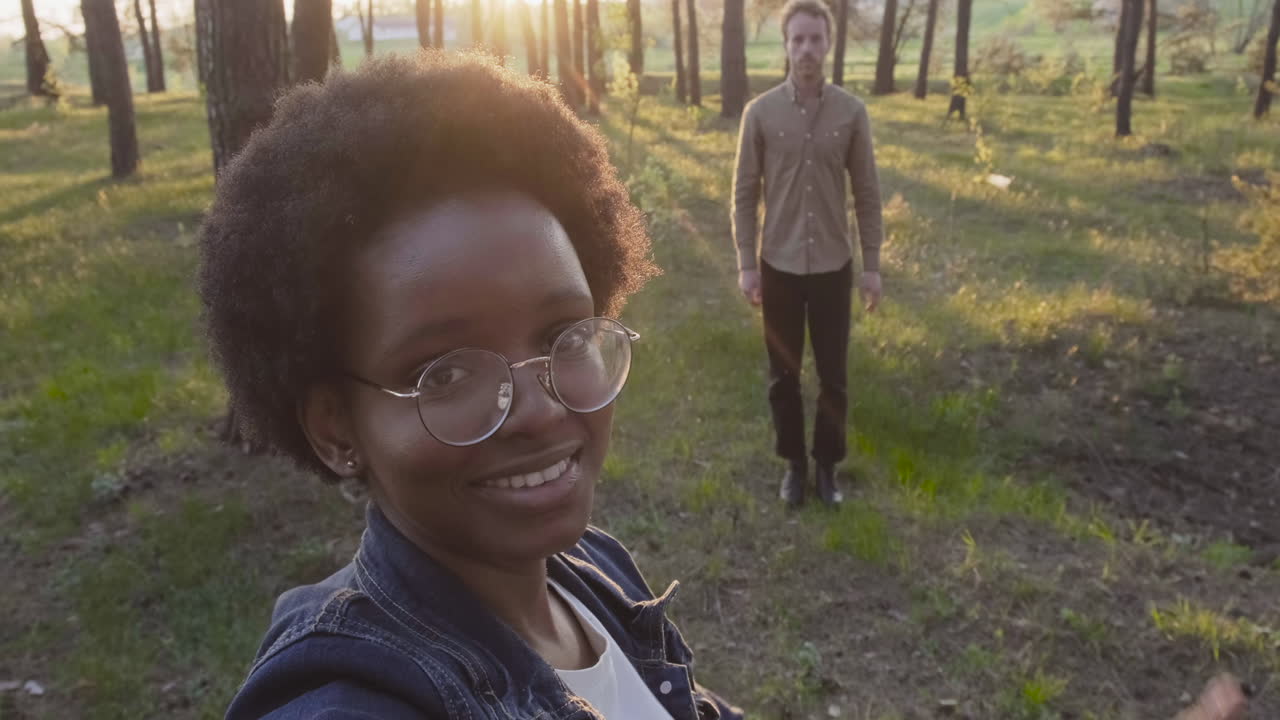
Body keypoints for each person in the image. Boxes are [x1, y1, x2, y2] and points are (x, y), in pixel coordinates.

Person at [201, 52, 741, 719]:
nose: (542, 411)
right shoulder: (349, 704)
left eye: (562, 336)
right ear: (336, 426)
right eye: (447, 373)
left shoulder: (589, 570)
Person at [731, 0, 885, 508]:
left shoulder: (852, 113)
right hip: (777, 264)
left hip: (833, 268)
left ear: (828, 44)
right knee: (784, 377)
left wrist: (873, 267)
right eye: (797, 40)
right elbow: (744, 193)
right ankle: (794, 466)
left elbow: (866, 193)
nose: (807, 50)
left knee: (834, 378)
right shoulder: (761, 113)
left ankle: (827, 468)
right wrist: (747, 265)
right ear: (785, 45)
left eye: (815, 39)